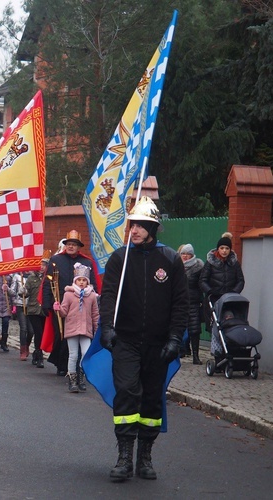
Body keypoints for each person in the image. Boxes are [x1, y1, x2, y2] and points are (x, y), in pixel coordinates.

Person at [99, 196, 188, 482]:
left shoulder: (171, 260)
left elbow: (180, 304)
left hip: (159, 344)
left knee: (151, 400)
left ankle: (145, 457)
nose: (133, 230)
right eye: (131, 225)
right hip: (125, 340)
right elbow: (109, 295)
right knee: (126, 392)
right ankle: (124, 457)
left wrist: (175, 338)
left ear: (152, 227)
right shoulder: (119, 258)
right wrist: (107, 328)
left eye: (139, 225)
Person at [42, 230, 100, 376]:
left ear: (78, 247)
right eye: (69, 244)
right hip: (60, 304)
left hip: (81, 306)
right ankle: (61, 364)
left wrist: (95, 302)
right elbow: (48, 284)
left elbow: (93, 284)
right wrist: (46, 303)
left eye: (74, 244)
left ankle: (77, 367)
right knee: (60, 335)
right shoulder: (55, 260)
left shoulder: (87, 262)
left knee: (79, 336)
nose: (71, 247)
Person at [55, 263, 98, 392]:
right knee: (73, 354)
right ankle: (72, 379)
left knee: (85, 353)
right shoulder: (69, 294)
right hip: (72, 328)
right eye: (79, 280)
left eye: (84, 280)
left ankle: (81, 376)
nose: (81, 282)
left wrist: (97, 328)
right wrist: (58, 309)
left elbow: (95, 314)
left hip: (86, 329)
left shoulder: (91, 296)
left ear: (87, 282)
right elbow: (64, 312)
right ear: (75, 280)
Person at [199, 232, 244, 330]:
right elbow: (202, 280)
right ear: (218, 249)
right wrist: (210, 291)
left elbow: (240, 280)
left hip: (230, 300)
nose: (224, 251)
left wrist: (234, 292)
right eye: (222, 248)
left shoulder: (234, 263)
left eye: (227, 248)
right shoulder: (210, 263)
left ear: (230, 249)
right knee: (215, 327)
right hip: (214, 299)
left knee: (229, 325)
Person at [178, 244, 204, 364]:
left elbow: (202, 284)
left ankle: (195, 356)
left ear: (192, 255)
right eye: (183, 253)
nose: (185, 256)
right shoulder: (176, 265)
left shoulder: (198, 267)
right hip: (179, 302)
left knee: (194, 330)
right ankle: (179, 351)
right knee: (178, 327)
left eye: (187, 254)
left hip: (193, 301)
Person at [25, 256, 49, 368]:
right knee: (38, 332)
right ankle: (39, 356)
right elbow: (26, 293)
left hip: (44, 310)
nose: (42, 267)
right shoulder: (31, 278)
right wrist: (23, 291)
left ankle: (36, 353)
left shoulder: (49, 278)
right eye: (40, 265)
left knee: (42, 333)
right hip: (33, 310)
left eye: (44, 265)